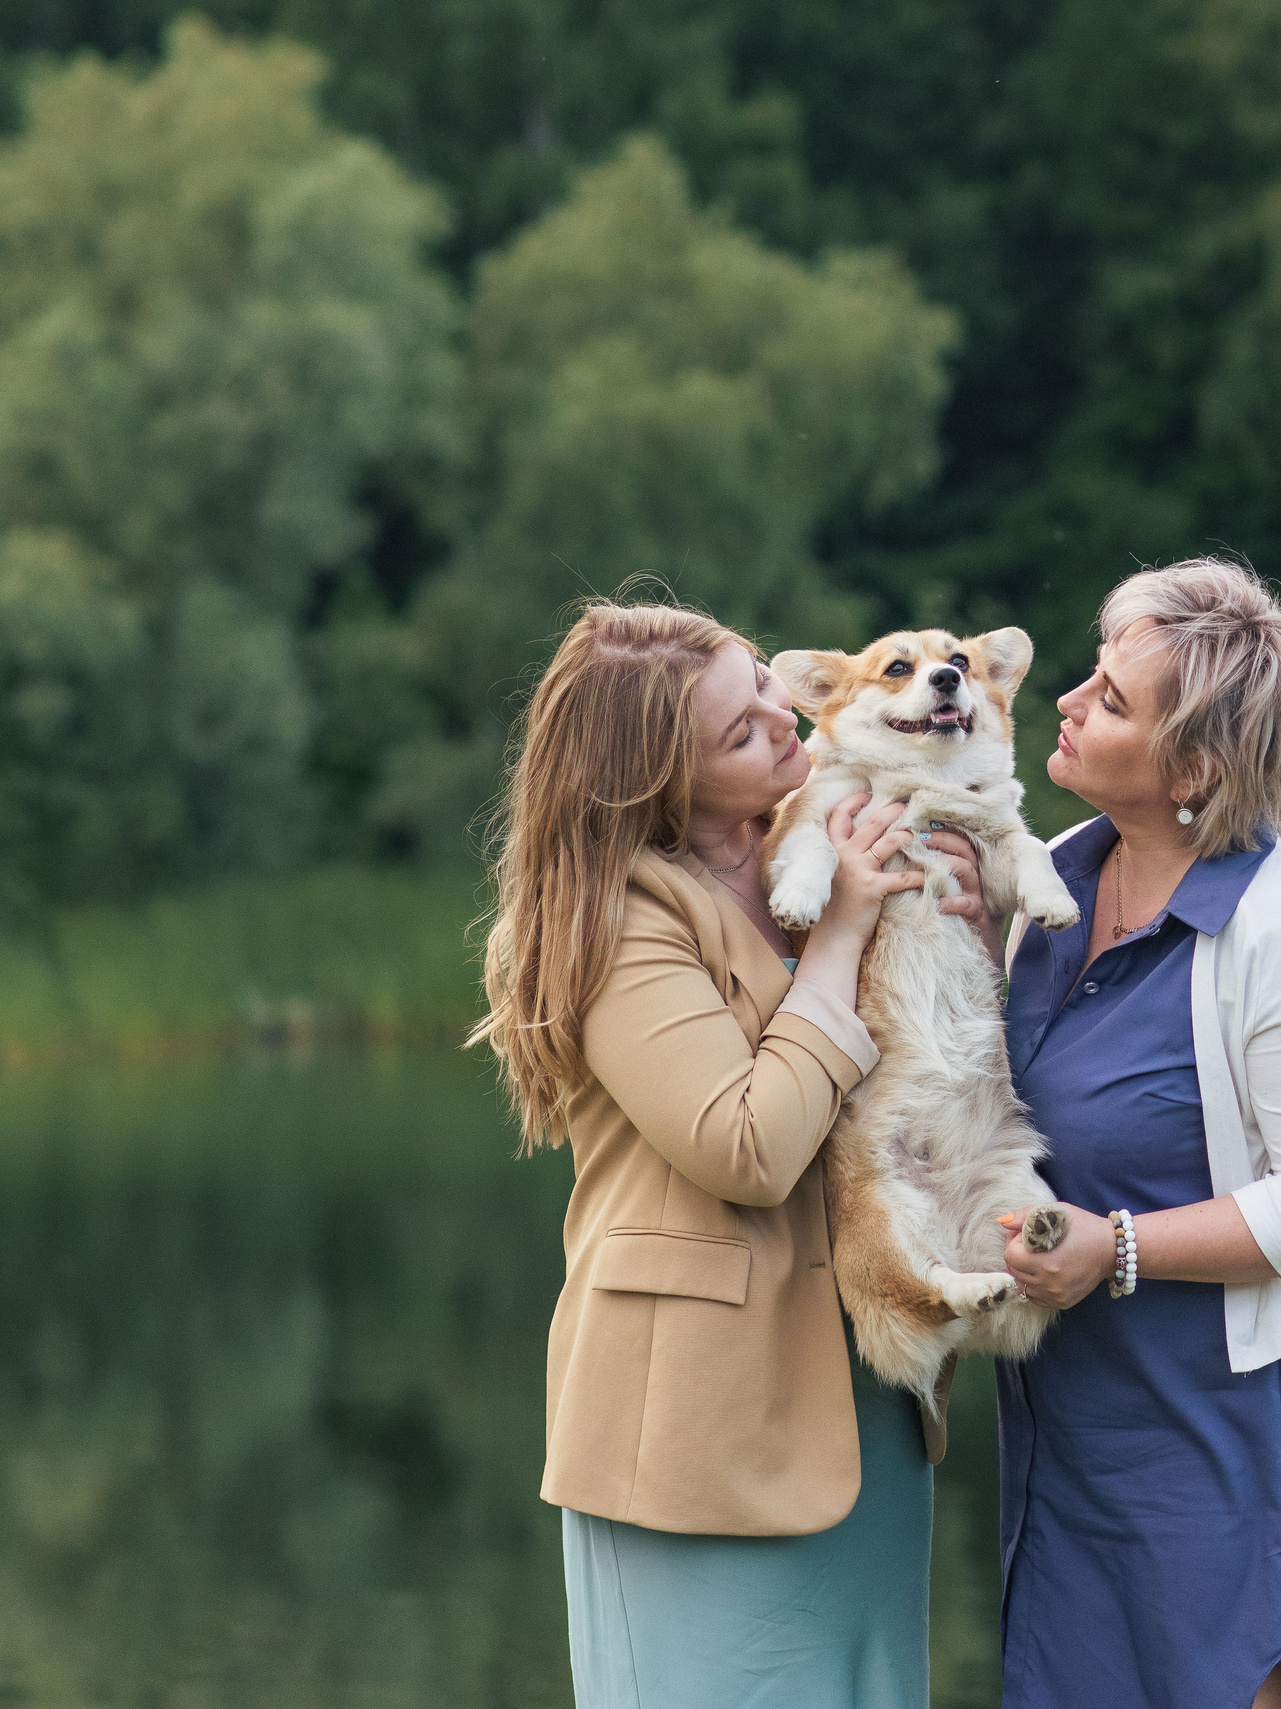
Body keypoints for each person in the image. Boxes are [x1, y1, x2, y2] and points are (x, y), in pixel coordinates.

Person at [466, 600, 975, 1709]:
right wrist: (838, 937)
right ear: (659, 784)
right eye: (742, 732)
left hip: (862, 1398)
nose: (784, 720)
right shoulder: (615, 920)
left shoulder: (825, 835)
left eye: (764, 684)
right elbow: (745, 1147)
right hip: (697, 1438)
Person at [990, 559, 1281, 1709]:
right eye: (1090, 674)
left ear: (1196, 766)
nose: (1065, 700)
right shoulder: (1051, 882)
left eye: (1111, 700)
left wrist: (1112, 1248)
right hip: (1066, 1433)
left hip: (1219, 1434)